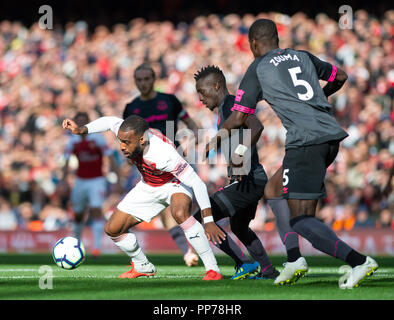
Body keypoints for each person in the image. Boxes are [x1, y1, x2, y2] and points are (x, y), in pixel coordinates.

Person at [205, 19, 378, 288]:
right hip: (329, 135)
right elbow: (340, 76)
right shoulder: (301, 55)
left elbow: (240, 116)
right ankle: (295, 259)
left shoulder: (257, 68)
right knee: (274, 190)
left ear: (253, 43)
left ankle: (358, 261)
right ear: (276, 37)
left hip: (305, 142)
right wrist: (318, 100)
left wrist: (214, 139)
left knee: (301, 219)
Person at [62, 115, 224, 280]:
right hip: (148, 185)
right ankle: (142, 266)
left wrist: (208, 220)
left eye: (126, 142)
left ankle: (213, 269)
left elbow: (197, 183)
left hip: (173, 183)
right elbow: (109, 121)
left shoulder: (162, 153)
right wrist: (81, 130)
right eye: (121, 141)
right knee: (113, 229)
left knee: (180, 214)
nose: (122, 146)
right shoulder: (128, 132)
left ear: (141, 140)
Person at [193, 65, 280, 280]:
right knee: (239, 227)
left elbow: (256, 126)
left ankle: (243, 263)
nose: (201, 99)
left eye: (203, 93)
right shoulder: (224, 110)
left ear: (216, 86)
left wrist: (240, 155)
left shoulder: (231, 104)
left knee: (201, 218)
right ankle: (268, 270)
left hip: (249, 179)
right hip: (251, 179)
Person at [123, 63, 200, 267]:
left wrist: (197, 136)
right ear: (135, 81)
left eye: (147, 79)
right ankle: (187, 252)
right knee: (165, 210)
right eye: (139, 80)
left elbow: (189, 122)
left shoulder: (169, 101)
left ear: (154, 79)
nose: (143, 83)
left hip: (175, 160)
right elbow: (125, 140)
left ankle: (195, 245)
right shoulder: (131, 108)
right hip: (147, 166)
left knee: (183, 206)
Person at [62, 112, 119, 258]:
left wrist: (118, 177)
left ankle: (96, 248)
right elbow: (67, 161)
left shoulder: (98, 138)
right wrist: (63, 180)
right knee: (79, 214)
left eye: (84, 121)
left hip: (96, 180)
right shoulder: (72, 141)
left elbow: (110, 156)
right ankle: (76, 244)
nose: (81, 123)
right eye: (78, 121)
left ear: (88, 122)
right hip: (80, 180)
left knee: (95, 210)